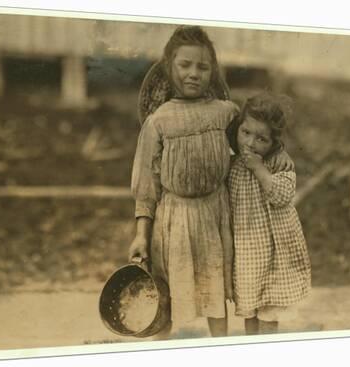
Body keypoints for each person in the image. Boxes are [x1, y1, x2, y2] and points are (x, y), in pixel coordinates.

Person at [128, 26, 292, 338]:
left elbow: (255, 140)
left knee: (216, 295)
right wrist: (141, 235)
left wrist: (280, 154)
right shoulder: (158, 122)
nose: (194, 74)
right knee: (166, 296)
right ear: (169, 68)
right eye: (184, 65)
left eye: (203, 67)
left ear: (212, 71)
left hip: (216, 214)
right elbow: (146, 187)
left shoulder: (226, 114)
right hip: (174, 219)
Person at [227, 93, 311, 335]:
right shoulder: (232, 165)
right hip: (246, 251)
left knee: (269, 310)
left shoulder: (278, 165)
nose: (251, 143)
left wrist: (260, 168)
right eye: (246, 133)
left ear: (274, 143)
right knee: (249, 306)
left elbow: (282, 196)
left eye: (261, 138)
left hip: (274, 251)